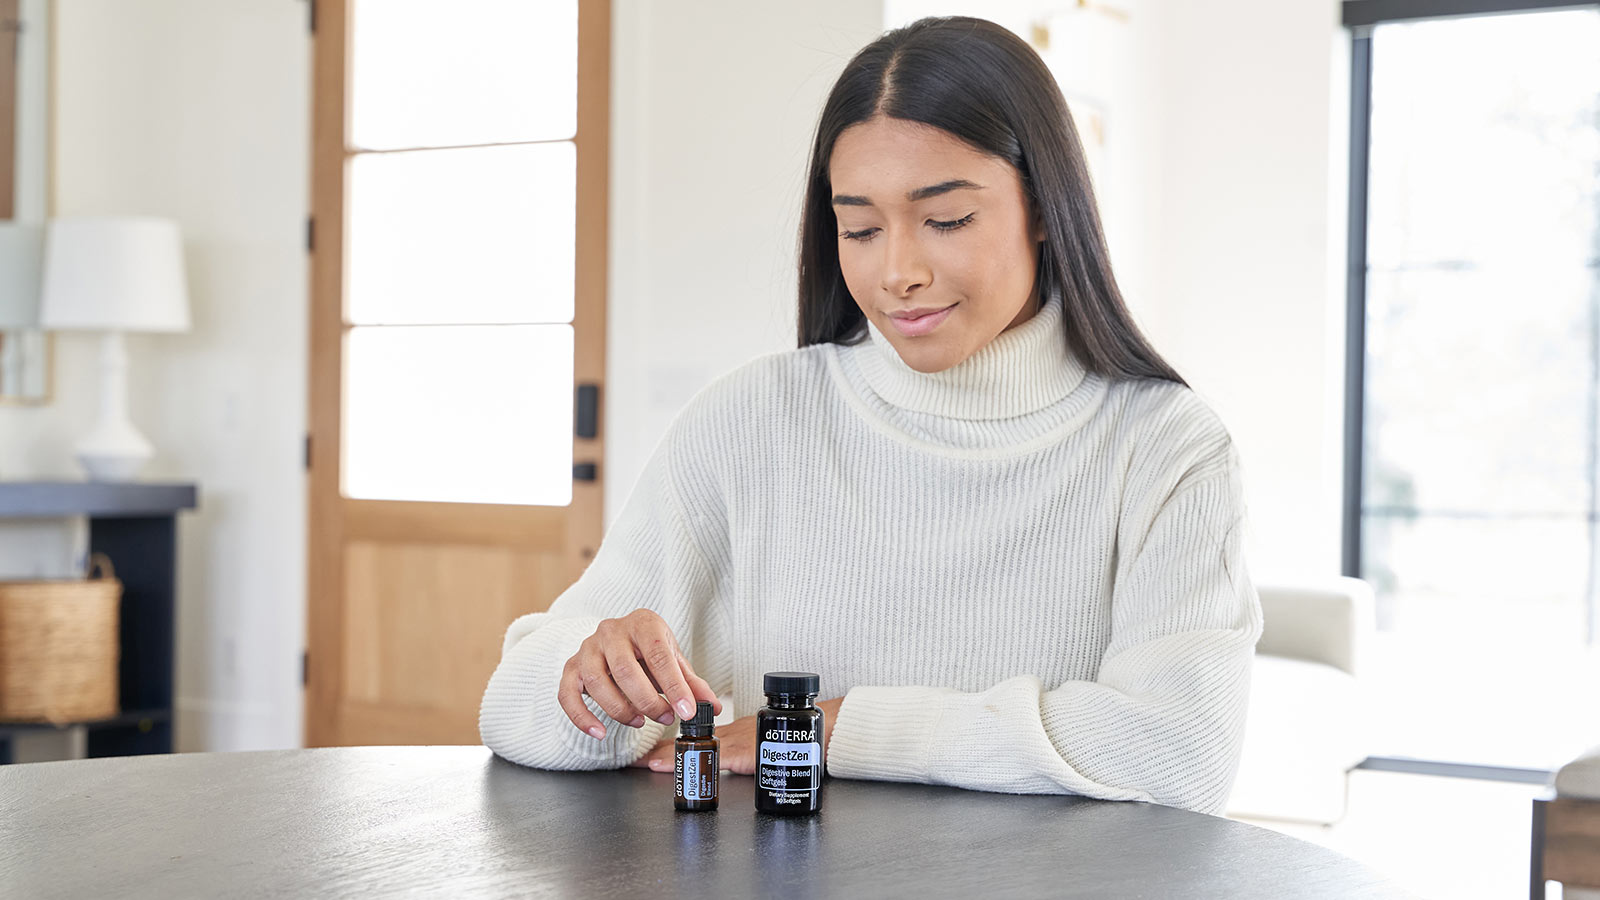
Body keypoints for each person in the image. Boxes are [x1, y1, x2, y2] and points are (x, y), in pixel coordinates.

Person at [479, 15, 1262, 816]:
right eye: (859, 227)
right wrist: (594, 686)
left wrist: (836, 731)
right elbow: (515, 704)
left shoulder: (1167, 449)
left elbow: (1179, 753)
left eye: (947, 219)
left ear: (1042, 205)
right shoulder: (752, 420)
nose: (897, 273)